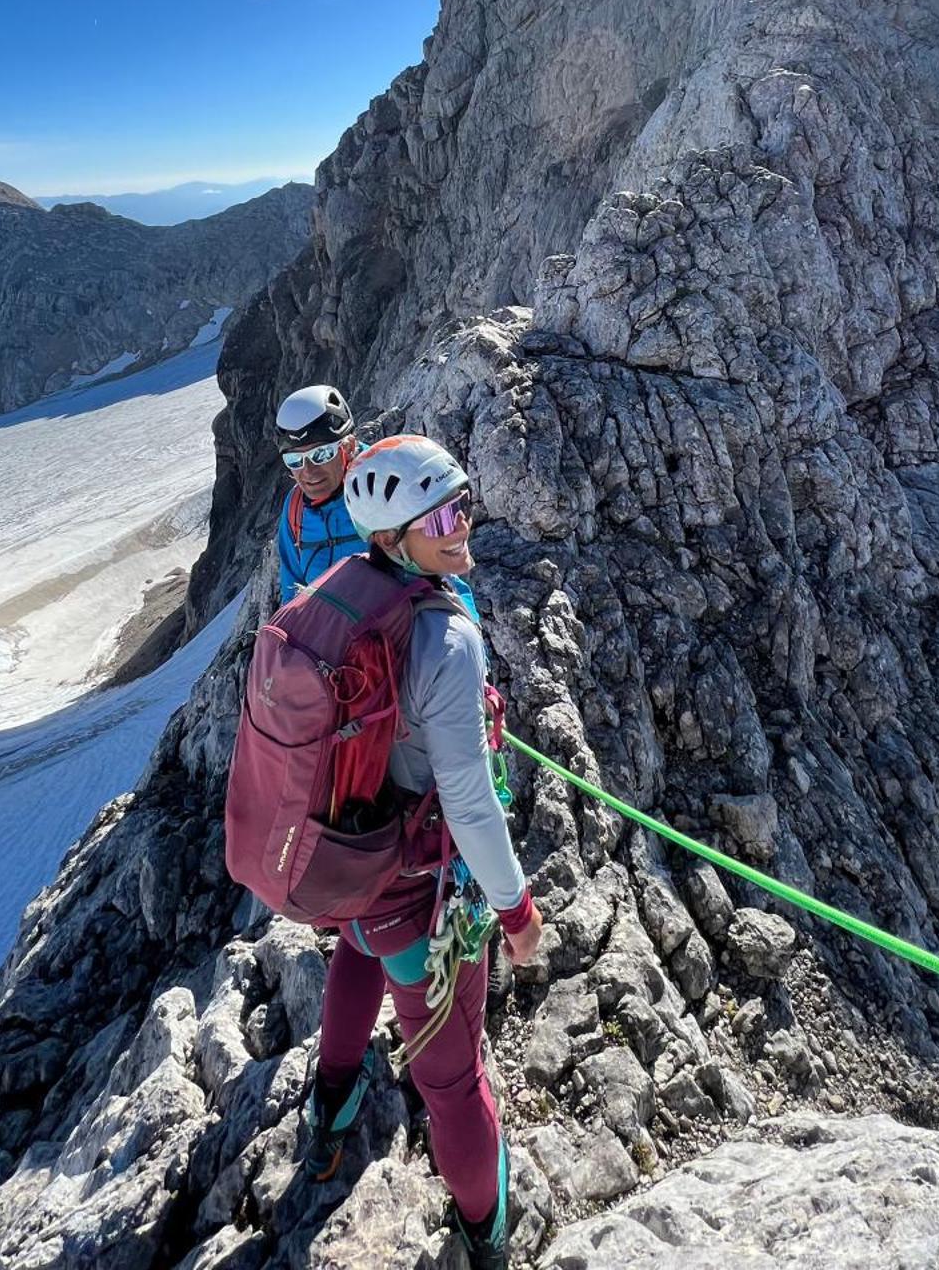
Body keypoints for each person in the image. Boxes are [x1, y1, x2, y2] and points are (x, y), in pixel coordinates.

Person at [304, 433, 543, 1270]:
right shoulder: (447, 640)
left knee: (356, 953)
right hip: (417, 888)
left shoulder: (338, 594)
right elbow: (472, 804)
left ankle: (328, 1112)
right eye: (441, 513)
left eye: (463, 502)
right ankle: (488, 1234)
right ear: (395, 537)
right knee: (450, 1077)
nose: (462, 522)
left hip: (345, 861)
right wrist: (515, 910)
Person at [273, 383, 365, 603]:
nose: (308, 472)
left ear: (349, 447)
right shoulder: (295, 508)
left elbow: (440, 577)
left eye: (321, 454)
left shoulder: (386, 485)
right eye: (294, 460)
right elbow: (292, 597)